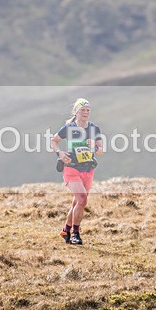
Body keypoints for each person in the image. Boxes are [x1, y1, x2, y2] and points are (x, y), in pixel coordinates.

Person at [50, 98, 103, 245]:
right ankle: (75, 234)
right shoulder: (69, 128)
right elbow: (53, 141)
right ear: (76, 112)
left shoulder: (94, 129)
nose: (85, 113)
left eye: (88, 110)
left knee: (77, 203)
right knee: (82, 199)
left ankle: (65, 230)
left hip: (88, 169)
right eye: (82, 110)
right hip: (71, 167)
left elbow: (100, 151)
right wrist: (60, 153)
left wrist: (94, 146)